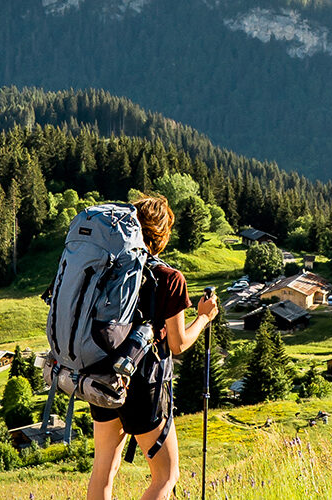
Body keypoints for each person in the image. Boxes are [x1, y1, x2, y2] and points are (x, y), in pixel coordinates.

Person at [87, 195, 219, 500]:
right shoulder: (169, 278)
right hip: (144, 383)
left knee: (105, 468)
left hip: (102, 374)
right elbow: (178, 343)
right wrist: (204, 317)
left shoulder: (106, 269)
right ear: (161, 235)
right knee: (166, 475)